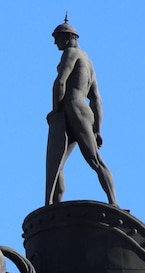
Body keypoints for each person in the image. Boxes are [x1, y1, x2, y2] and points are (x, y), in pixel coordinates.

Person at [45, 15, 118, 206]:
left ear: (69, 37)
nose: (55, 43)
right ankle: (111, 201)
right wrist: (97, 129)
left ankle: (53, 204)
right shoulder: (89, 62)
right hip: (85, 112)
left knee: (90, 160)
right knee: (66, 164)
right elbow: (96, 99)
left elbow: (60, 83)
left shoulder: (71, 53)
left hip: (72, 109)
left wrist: (55, 112)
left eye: (57, 39)